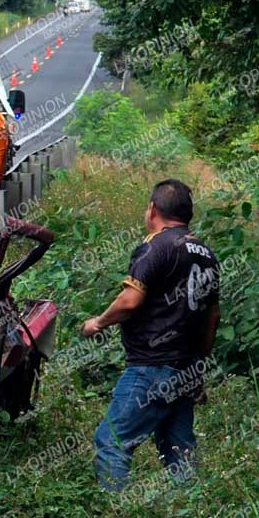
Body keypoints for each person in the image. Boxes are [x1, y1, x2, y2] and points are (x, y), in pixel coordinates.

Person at [81, 179, 221, 491]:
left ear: (153, 209)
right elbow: (212, 316)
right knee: (179, 451)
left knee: (111, 441)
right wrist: (198, 367)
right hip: (185, 369)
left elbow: (129, 302)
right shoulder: (206, 254)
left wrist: (97, 323)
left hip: (151, 367)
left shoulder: (155, 246)